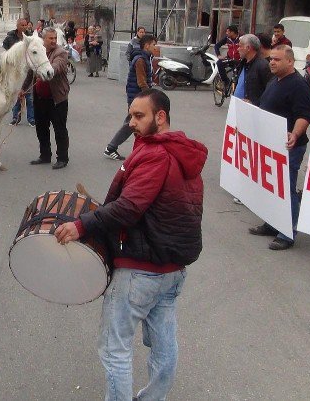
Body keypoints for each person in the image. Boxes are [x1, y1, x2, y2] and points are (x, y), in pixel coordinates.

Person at [55, 88, 206, 401]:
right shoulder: (179, 151)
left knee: (115, 349)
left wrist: (81, 224)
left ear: (160, 117)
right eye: (130, 116)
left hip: (142, 270)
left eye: (139, 116)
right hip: (172, 269)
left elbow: (130, 207)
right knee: (164, 344)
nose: (131, 123)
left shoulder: (157, 155)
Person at [247, 45, 310, 251]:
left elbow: (304, 115)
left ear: (290, 62)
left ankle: (287, 232)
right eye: (271, 59)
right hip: (270, 144)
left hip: (289, 147)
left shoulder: (298, 85)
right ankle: (272, 223)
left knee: (287, 189)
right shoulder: (274, 80)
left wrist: (295, 134)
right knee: (271, 187)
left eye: (277, 59)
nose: (272, 62)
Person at [104, 34, 159, 161]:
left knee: (137, 124)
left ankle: (144, 150)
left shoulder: (146, 58)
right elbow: (141, 81)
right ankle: (111, 148)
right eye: (154, 44)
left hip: (138, 96)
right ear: (146, 45)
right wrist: (149, 96)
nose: (156, 47)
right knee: (132, 124)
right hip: (137, 97)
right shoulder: (140, 59)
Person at [26, 28, 70, 169]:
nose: (53, 41)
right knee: (41, 128)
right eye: (50, 38)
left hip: (57, 99)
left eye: (55, 38)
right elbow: (30, 72)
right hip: (39, 98)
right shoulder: (39, 51)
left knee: (60, 129)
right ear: (43, 39)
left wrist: (48, 69)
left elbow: (57, 67)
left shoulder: (61, 52)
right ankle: (45, 155)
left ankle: (62, 158)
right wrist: (22, 89)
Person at [5, 19, 35, 126]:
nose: (24, 27)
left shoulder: (31, 38)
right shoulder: (9, 38)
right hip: (14, 72)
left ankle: (31, 119)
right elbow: (5, 53)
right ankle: (15, 118)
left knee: (29, 97)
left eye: (25, 25)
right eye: (22, 25)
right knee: (16, 96)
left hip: (28, 71)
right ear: (17, 26)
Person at [234, 34, 271, 106]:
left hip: (252, 111)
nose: (238, 49)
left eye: (240, 46)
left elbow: (269, 92)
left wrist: (255, 103)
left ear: (248, 48)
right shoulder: (243, 64)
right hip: (238, 109)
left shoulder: (263, 66)